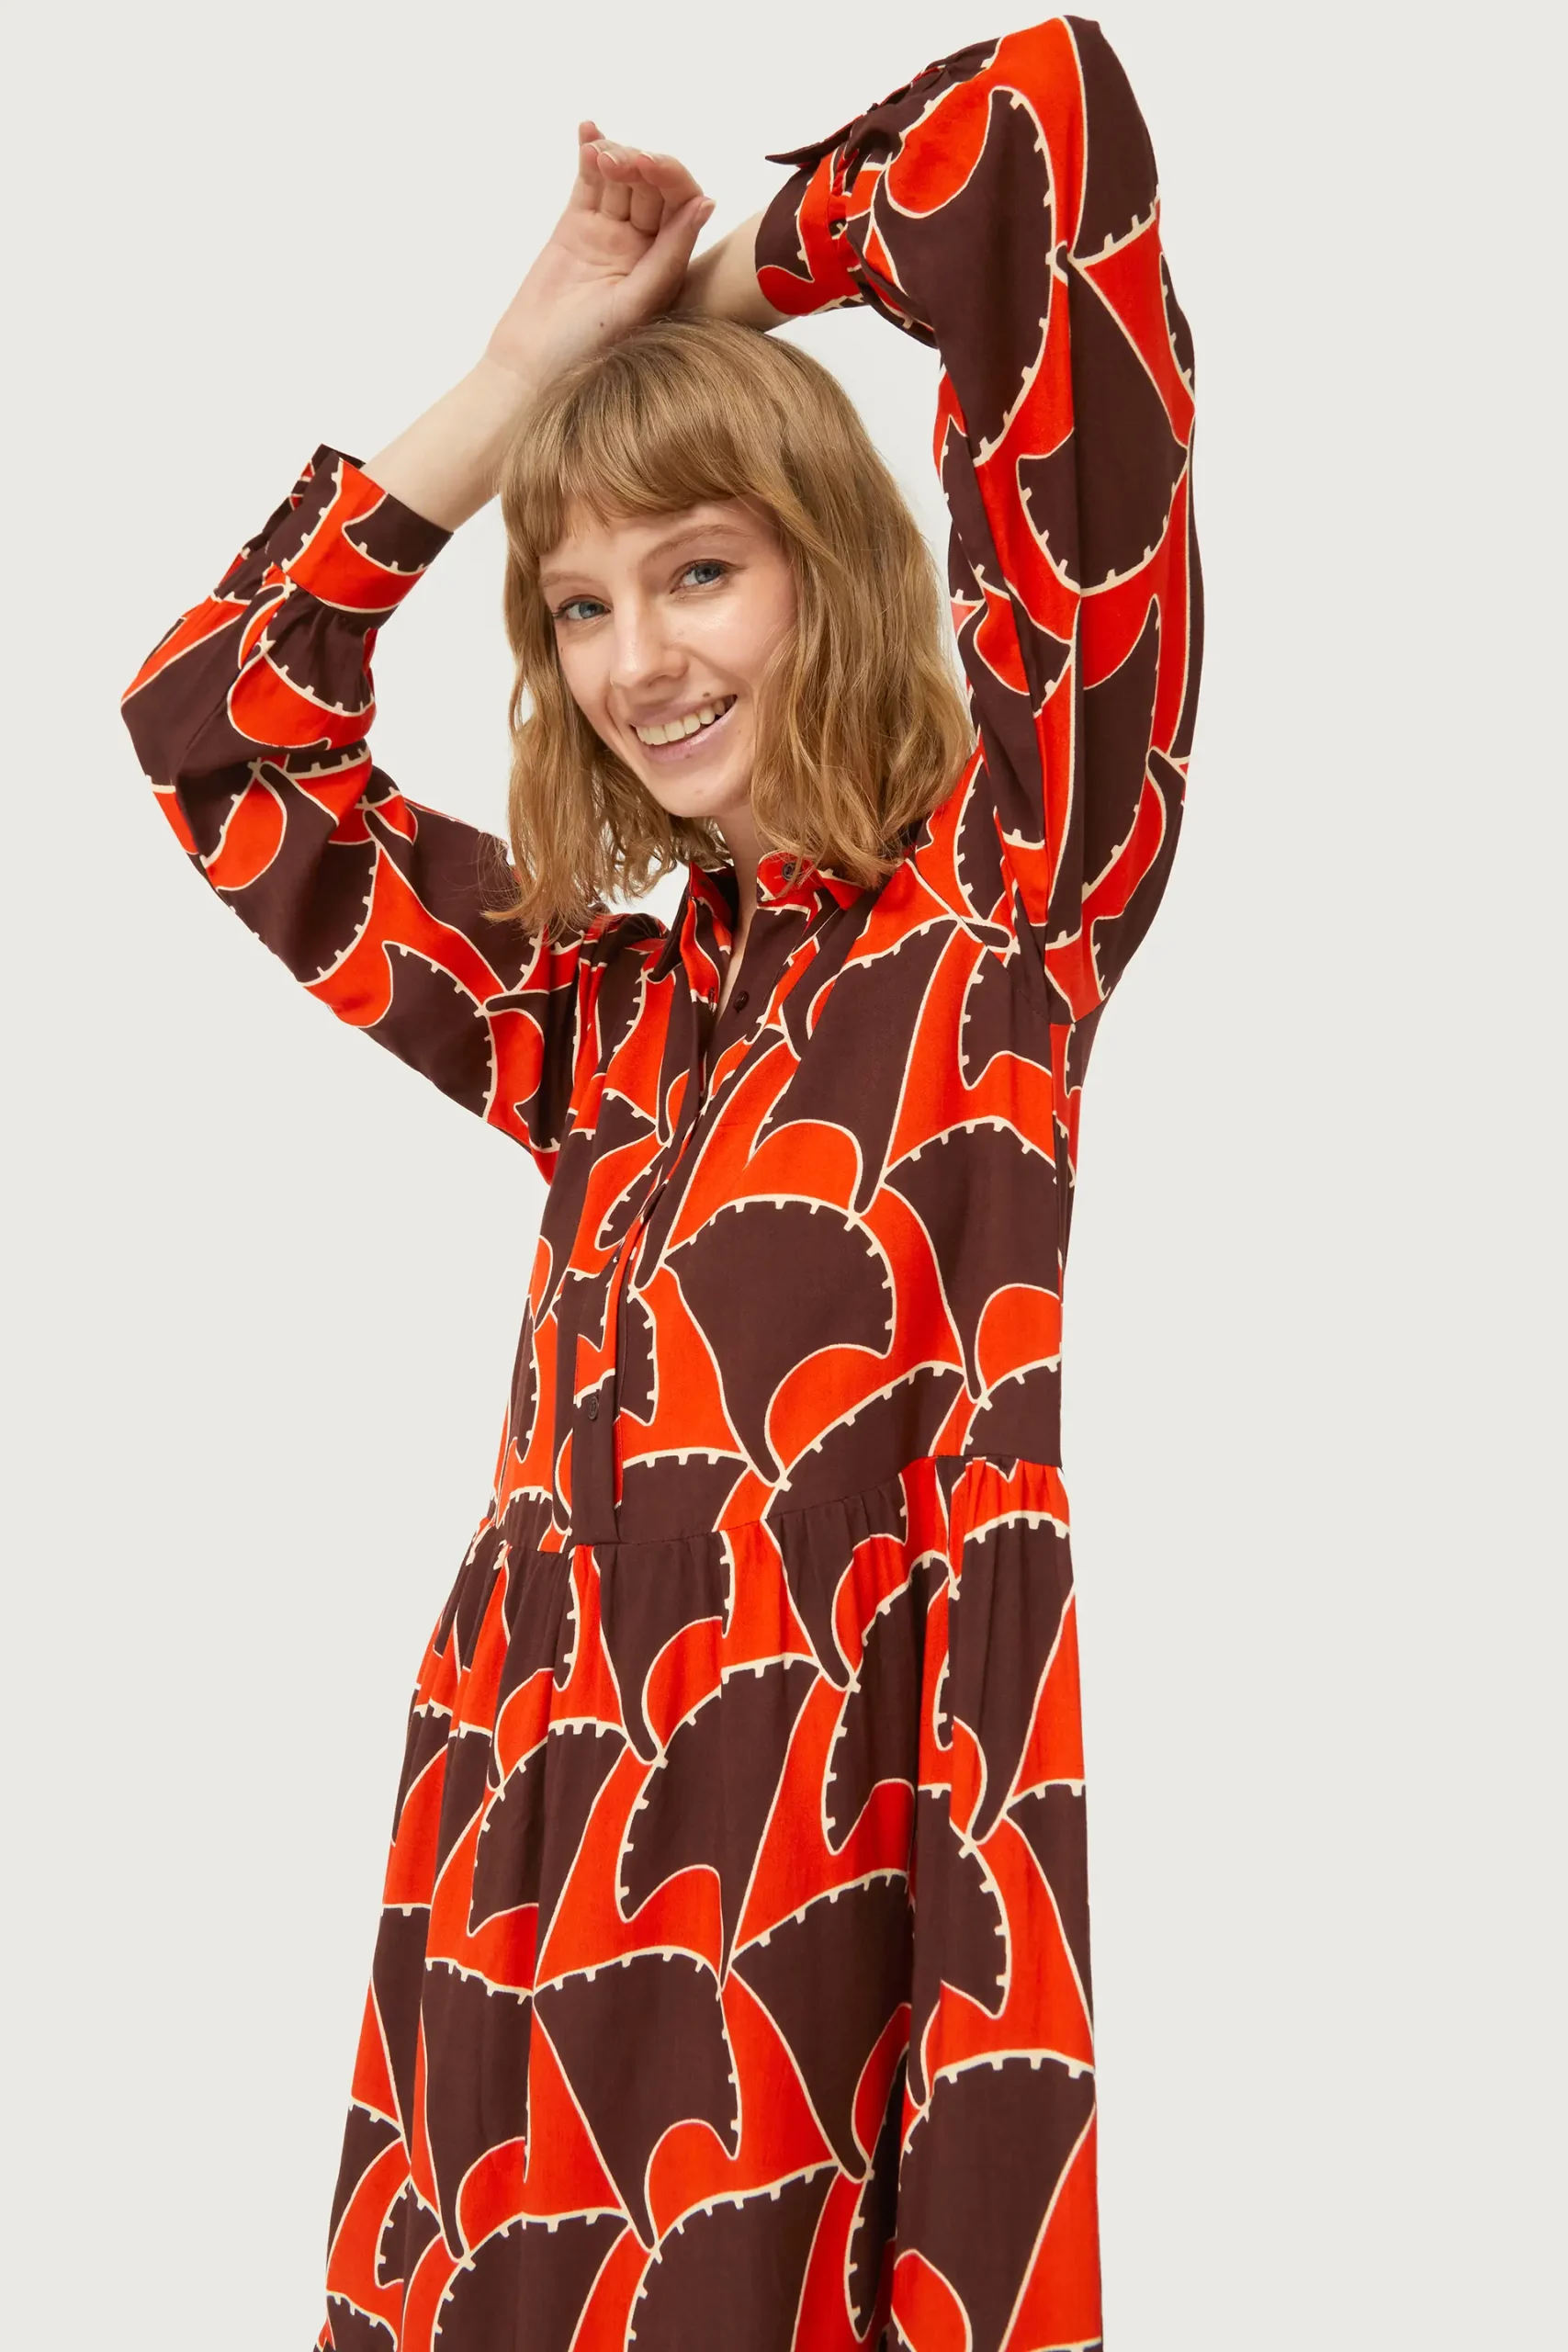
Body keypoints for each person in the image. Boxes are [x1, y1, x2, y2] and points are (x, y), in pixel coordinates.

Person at [121, 13, 1200, 2346]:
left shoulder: (1015, 895)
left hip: (820, 1895)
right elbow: (216, 727)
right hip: (517, 1898)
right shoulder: (601, 1021)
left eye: (696, 568)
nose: (634, 659)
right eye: (579, 605)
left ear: (829, 566)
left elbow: (1037, 135)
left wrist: (714, 308)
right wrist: (528, 373)